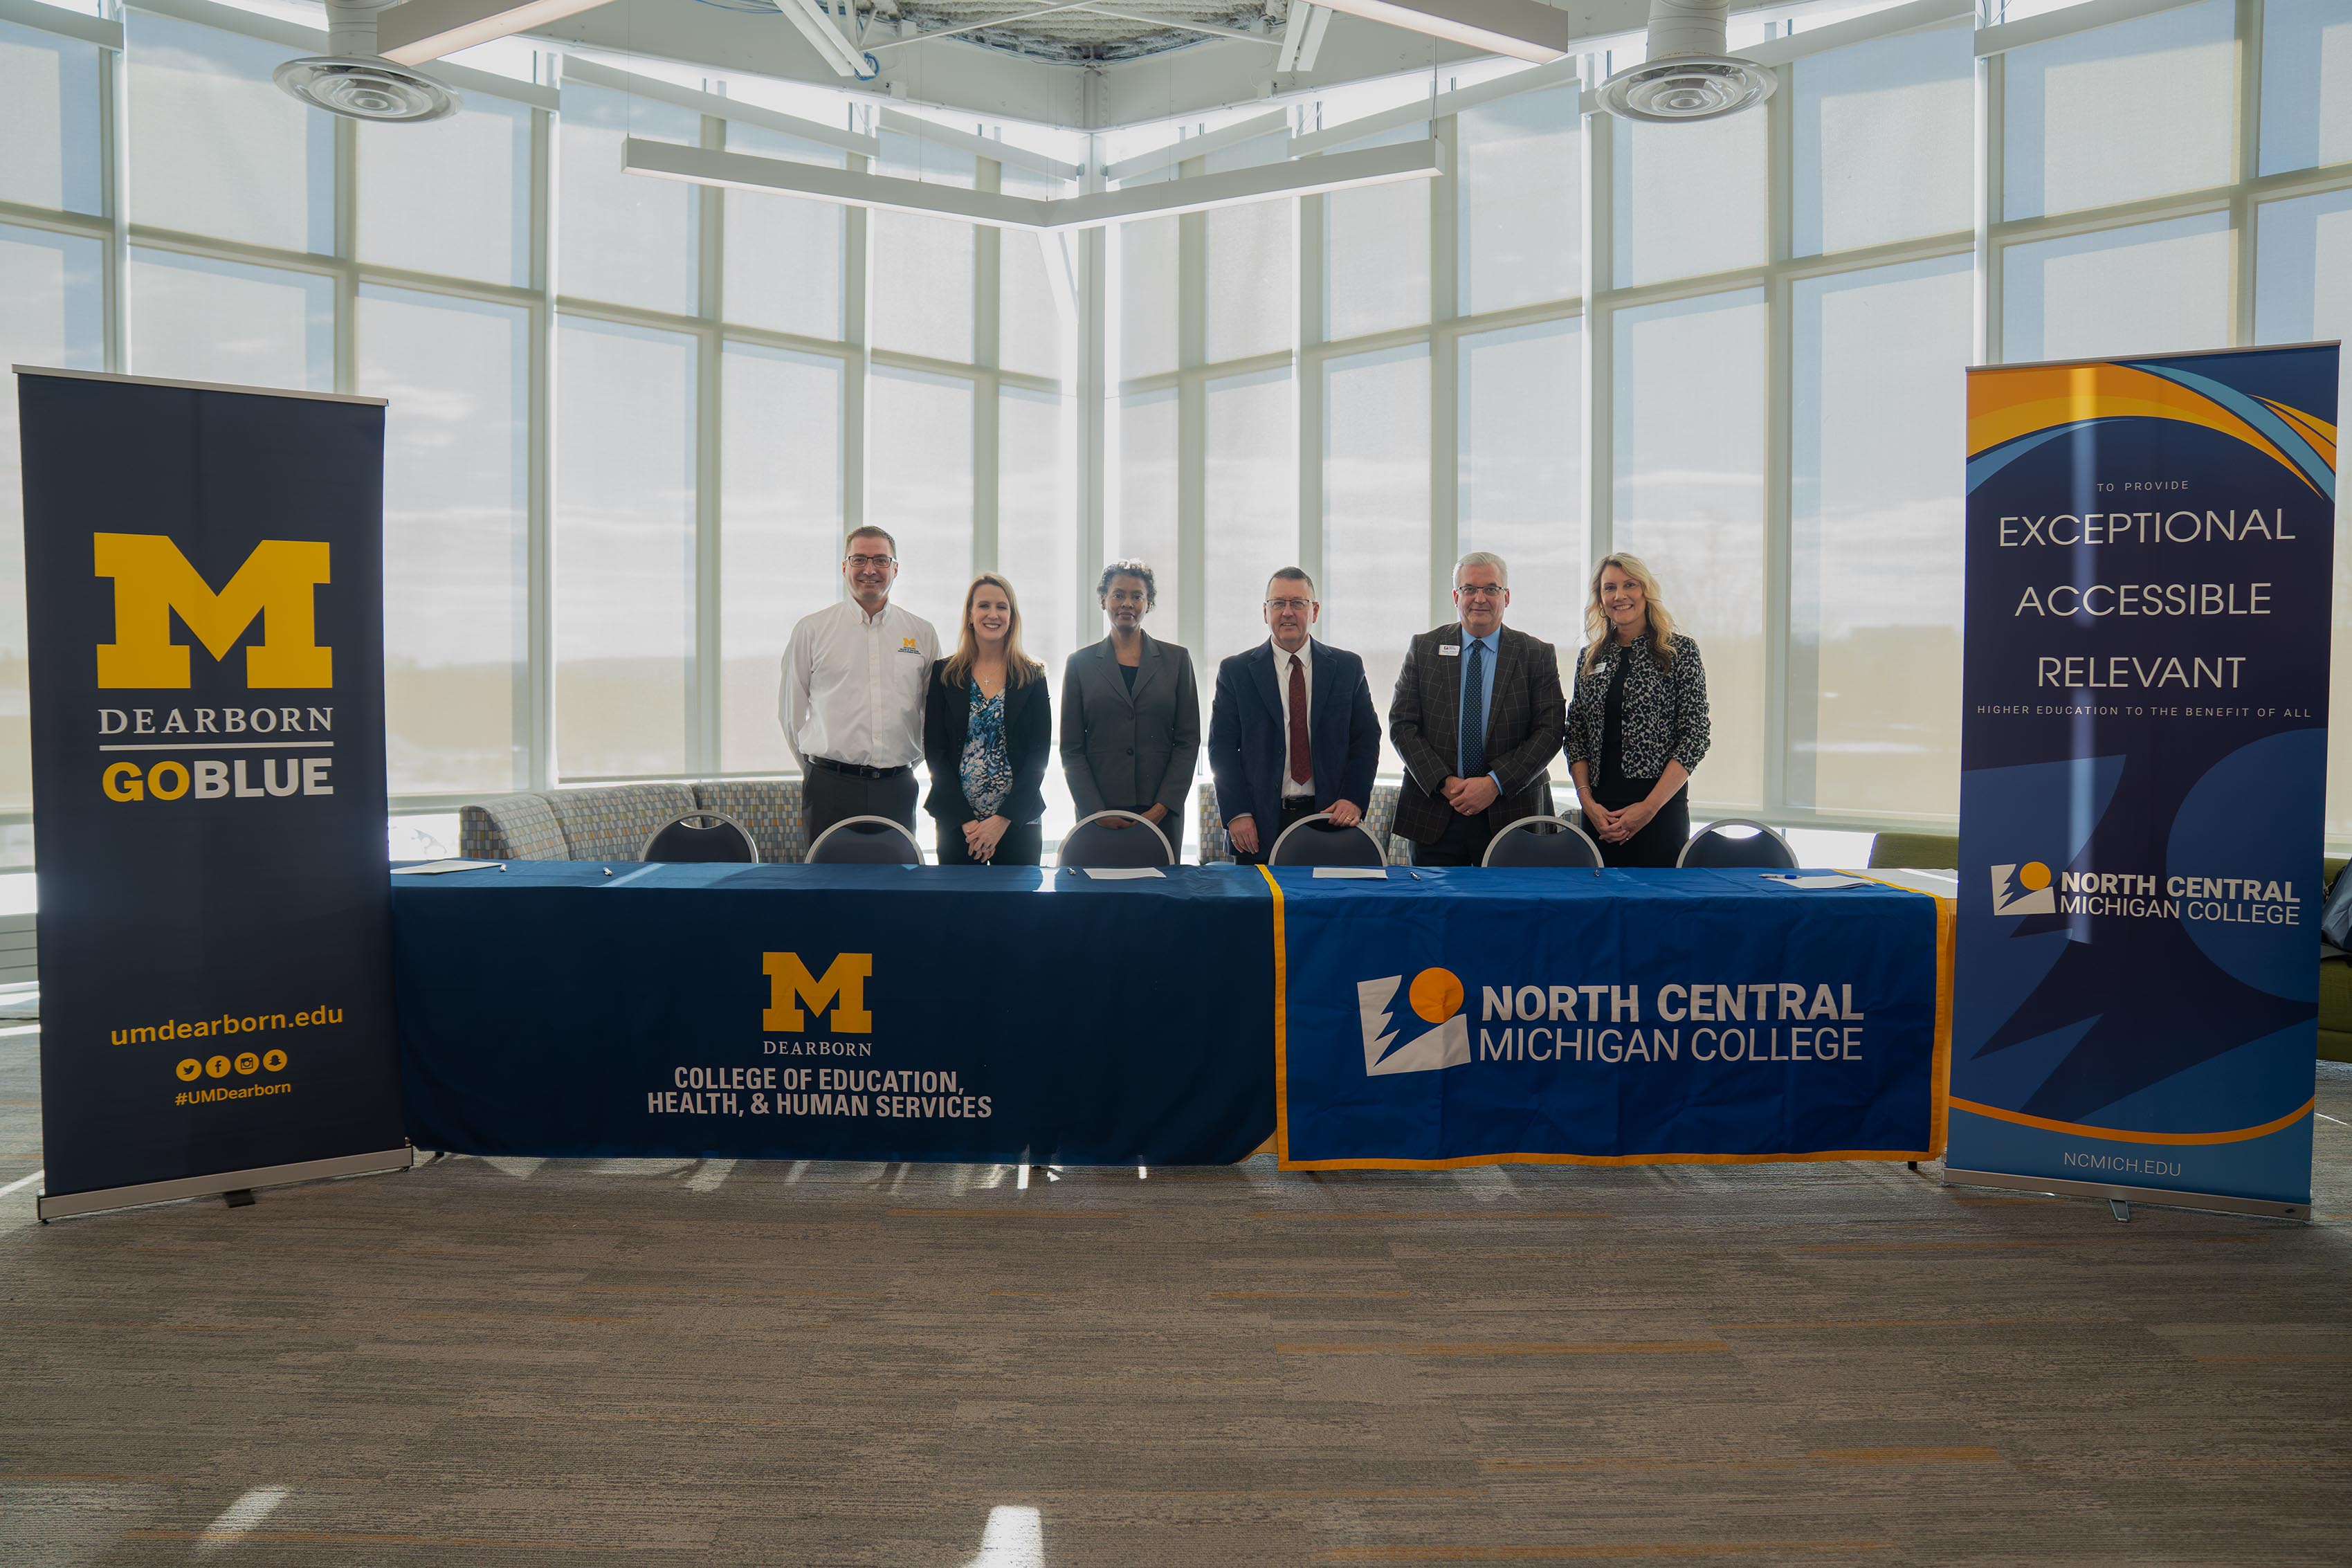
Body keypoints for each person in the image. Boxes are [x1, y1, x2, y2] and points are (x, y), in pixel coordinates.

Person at [1387, 551, 1566, 868]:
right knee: (1436, 912)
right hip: (1436, 811)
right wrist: (1445, 782)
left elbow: (1550, 732)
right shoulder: (1424, 648)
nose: (1479, 598)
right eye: (1469, 589)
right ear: (1456, 596)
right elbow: (1403, 725)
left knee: (1511, 912)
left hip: (1512, 810)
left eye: (1491, 589)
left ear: (1506, 597)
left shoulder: (1536, 654)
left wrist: (1494, 783)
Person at [1206, 567, 1381, 866]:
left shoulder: (1347, 667)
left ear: (1314, 611)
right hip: (1257, 824)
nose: (1288, 612)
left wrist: (1353, 798)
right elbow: (1221, 748)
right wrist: (1237, 813)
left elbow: (1366, 739)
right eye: (1278, 603)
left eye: (1298, 603)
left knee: (1326, 910)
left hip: (1329, 819)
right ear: (1265, 612)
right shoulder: (1235, 672)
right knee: (1262, 911)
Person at [778, 525, 940, 846]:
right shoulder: (812, 630)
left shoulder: (921, 632)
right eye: (859, 560)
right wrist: (818, 769)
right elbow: (791, 715)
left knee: (896, 888)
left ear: (895, 568)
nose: (869, 570)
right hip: (829, 787)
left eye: (881, 560)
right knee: (826, 889)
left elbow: (931, 713)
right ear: (844, 567)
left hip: (897, 786)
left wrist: (904, 762)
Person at [1565, 553, 1711, 868]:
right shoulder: (1589, 658)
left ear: (1645, 591)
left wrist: (1647, 808)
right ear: (1600, 599)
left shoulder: (1680, 652)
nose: (1619, 596)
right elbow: (1575, 734)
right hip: (1600, 815)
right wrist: (1587, 803)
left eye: (1629, 585)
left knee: (1659, 909)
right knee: (1600, 907)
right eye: (1609, 588)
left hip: (1659, 810)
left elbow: (1695, 736)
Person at [1060, 561, 1200, 857]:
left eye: (1137, 596)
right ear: (1103, 600)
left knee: (1160, 899)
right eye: (1118, 595)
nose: (1127, 603)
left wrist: (1163, 807)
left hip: (1161, 813)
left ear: (1148, 603)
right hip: (1099, 813)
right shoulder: (1079, 664)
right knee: (1100, 899)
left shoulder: (1177, 660)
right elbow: (1071, 748)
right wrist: (1095, 811)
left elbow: (1188, 741)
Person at [924, 574, 1050, 866]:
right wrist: (967, 821)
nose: (993, 614)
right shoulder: (945, 673)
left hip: (1018, 820)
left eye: (1002, 607)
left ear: (1012, 616)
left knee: (1017, 908)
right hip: (958, 822)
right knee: (960, 907)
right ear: (970, 615)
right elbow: (935, 752)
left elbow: (1038, 755)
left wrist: (1002, 820)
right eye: (983, 606)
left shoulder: (1033, 674)